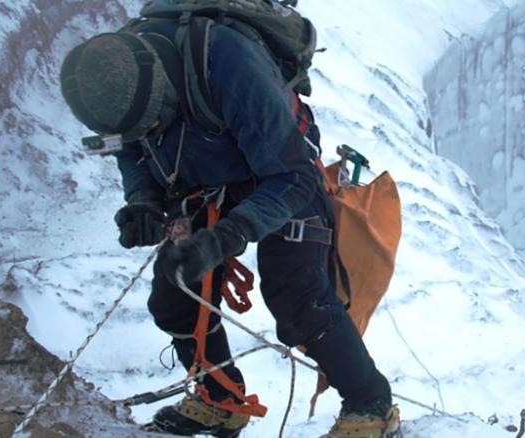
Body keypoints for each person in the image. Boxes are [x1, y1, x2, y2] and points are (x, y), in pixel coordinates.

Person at [59, 19, 400, 438]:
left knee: (297, 297)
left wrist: (227, 236)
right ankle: (219, 399)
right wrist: (143, 201)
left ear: (163, 91)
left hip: (282, 172)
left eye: (151, 123)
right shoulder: (127, 87)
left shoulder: (229, 65)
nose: (146, 133)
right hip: (207, 179)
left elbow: (293, 177)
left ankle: (372, 406)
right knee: (175, 294)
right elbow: (131, 148)